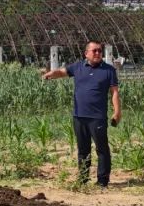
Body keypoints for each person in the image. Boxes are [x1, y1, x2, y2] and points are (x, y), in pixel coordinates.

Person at [43, 41, 121, 187]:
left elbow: (114, 93)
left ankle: (102, 180)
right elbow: (63, 72)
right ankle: (83, 179)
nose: (98, 53)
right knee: (83, 149)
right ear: (86, 53)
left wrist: (117, 112)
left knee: (102, 149)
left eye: (99, 51)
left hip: (98, 117)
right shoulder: (78, 67)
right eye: (94, 51)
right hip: (79, 116)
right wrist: (52, 74)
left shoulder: (109, 70)